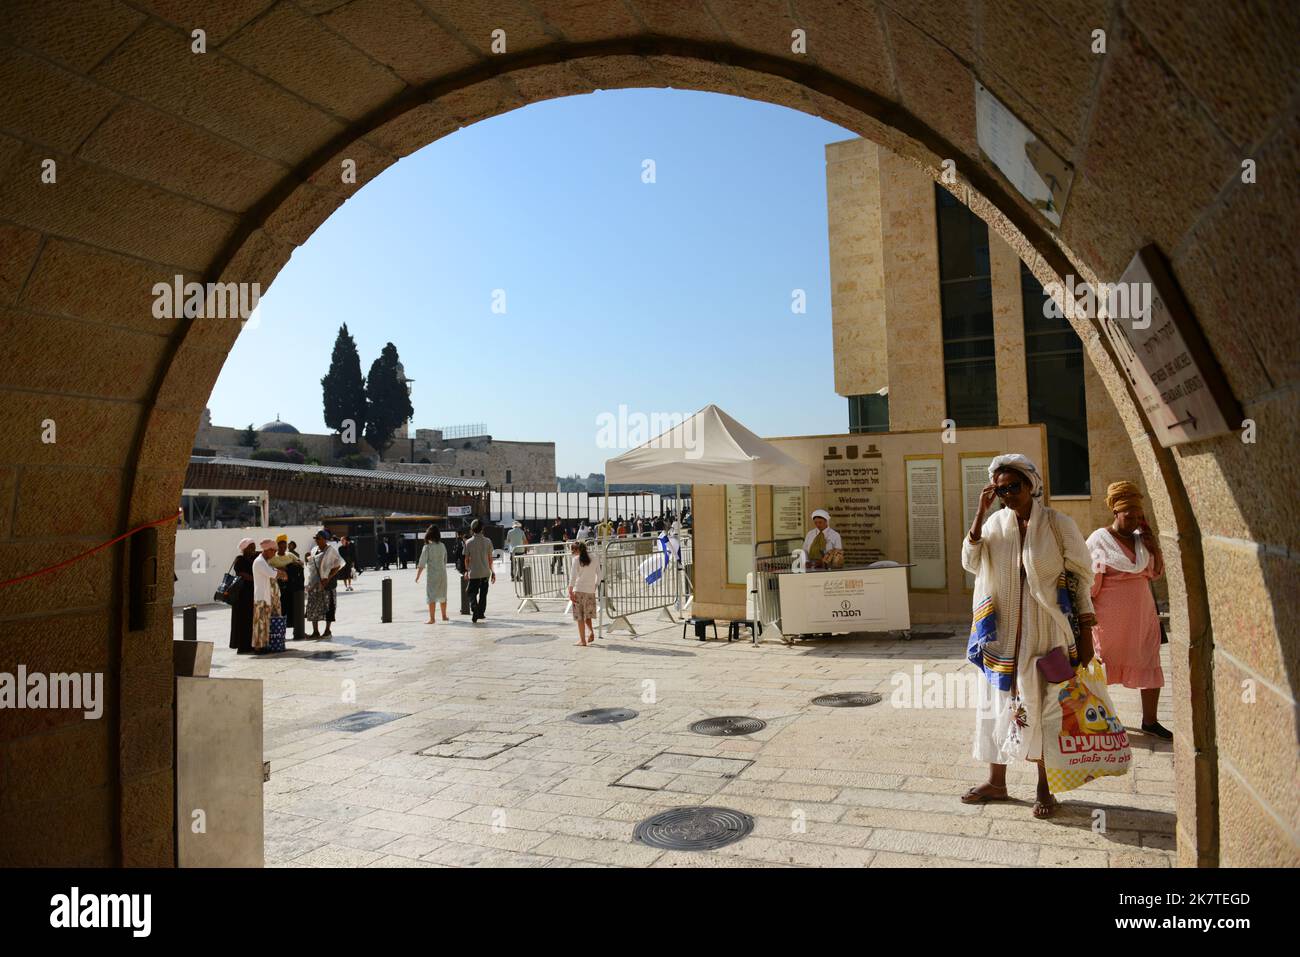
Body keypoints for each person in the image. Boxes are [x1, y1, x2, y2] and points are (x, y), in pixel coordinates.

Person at [960, 453, 1097, 819]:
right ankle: (997, 782)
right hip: (1002, 635)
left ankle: (1044, 784)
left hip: (1046, 634)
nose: (1007, 495)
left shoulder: (1057, 524)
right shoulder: (993, 526)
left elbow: (1081, 577)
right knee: (995, 707)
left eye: (1014, 487)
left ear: (1031, 485)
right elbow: (970, 562)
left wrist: (1086, 632)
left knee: (1044, 708)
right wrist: (979, 513)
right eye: (1001, 489)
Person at [1088, 481, 1171, 739]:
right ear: (1115, 512)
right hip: (1109, 622)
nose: (1134, 520)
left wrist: (1153, 544)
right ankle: (1098, 721)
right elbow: (1091, 586)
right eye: (1129, 515)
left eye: (1138, 516)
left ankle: (1150, 721)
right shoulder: (1099, 541)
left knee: (1149, 660)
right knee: (1101, 669)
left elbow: (1156, 573)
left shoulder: (1141, 542)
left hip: (1142, 618)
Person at [305, 529, 344, 638]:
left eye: (318, 538)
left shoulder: (330, 550)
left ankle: (327, 630)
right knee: (313, 607)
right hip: (315, 584)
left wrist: (328, 577)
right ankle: (315, 631)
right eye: (315, 538)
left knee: (328, 607)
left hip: (327, 584)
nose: (316, 540)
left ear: (325, 539)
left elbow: (338, 565)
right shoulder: (314, 550)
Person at [251, 538, 287, 654]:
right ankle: (258, 647)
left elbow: (273, 571)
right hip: (261, 597)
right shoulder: (260, 562)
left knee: (265, 623)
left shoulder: (264, 562)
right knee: (259, 623)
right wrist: (281, 573)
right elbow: (272, 573)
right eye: (273, 551)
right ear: (267, 550)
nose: (275, 553)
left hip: (265, 598)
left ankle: (263, 645)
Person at [462, 519, 495, 623]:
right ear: (482, 529)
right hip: (485, 572)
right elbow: (490, 558)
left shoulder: (468, 542)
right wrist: (492, 571)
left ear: (472, 529)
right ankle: (481, 613)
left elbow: (466, 559)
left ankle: (474, 607)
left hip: (474, 573)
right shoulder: (488, 541)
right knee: (483, 594)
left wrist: (467, 570)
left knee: (471, 592)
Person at [269, 534, 303, 637]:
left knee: (292, 608)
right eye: (281, 546)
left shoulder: (290, 555)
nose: (283, 548)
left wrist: (294, 564)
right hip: (279, 587)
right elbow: (270, 569)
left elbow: (300, 563)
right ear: (277, 546)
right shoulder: (273, 557)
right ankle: (280, 632)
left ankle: (295, 631)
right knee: (280, 609)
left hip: (291, 587)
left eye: (285, 546)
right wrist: (282, 569)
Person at [414, 525, 449, 625]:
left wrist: (417, 576)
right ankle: (444, 616)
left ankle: (432, 619)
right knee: (443, 595)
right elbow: (445, 560)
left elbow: (422, 563)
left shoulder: (427, 547)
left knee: (431, 596)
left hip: (432, 576)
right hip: (442, 574)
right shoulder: (442, 546)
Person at [228, 538, 257, 655]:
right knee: (241, 621)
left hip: (250, 594)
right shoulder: (240, 560)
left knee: (250, 620)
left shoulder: (253, 559)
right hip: (241, 595)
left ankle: (250, 644)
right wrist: (256, 579)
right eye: (251, 547)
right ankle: (242, 646)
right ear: (245, 548)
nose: (253, 550)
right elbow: (243, 575)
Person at [568, 540, 600, 646]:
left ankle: (582, 640)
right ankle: (590, 631)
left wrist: (570, 590)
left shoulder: (576, 559)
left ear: (577, 550)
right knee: (588, 615)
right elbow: (599, 576)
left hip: (579, 589)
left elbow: (573, 577)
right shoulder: (595, 557)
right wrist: (594, 586)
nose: (572, 553)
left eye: (573, 550)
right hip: (590, 590)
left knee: (580, 616)